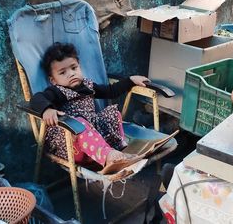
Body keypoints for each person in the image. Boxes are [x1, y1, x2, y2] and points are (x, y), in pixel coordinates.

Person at [29, 42, 148, 174]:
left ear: (79, 66)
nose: (71, 74)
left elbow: (111, 91)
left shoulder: (88, 85)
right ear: (53, 80)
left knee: (112, 113)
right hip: (70, 144)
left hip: (94, 141)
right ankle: (109, 156)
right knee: (79, 123)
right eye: (63, 73)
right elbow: (37, 99)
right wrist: (47, 109)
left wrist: (130, 80)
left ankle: (117, 151)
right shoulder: (57, 91)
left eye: (74, 68)